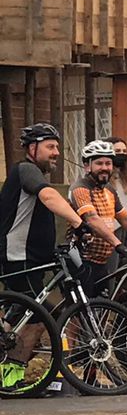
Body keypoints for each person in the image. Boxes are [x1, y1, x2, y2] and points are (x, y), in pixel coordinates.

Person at [0, 124, 92, 391]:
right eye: (50, 147)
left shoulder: (33, 173)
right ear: (32, 149)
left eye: (57, 147)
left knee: (32, 312)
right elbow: (50, 196)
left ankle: (14, 369)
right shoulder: (26, 170)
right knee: (39, 313)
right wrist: (79, 222)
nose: (56, 153)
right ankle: (10, 374)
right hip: (18, 256)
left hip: (31, 258)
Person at [69, 140, 127, 294]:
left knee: (104, 307)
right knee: (83, 312)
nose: (105, 168)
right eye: (99, 163)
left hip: (102, 261)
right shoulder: (80, 188)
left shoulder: (109, 190)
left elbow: (126, 219)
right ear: (87, 166)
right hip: (82, 259)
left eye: (108, 163)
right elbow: (92, 219)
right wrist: (118, 244)